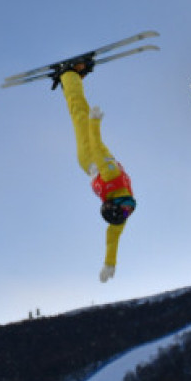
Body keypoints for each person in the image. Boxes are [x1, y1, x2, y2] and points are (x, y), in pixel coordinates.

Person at [52, 61, 136, 282]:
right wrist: (109, 263)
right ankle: (73, 80)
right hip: (93, 158)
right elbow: (112, 237)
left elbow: (96, 148)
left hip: (89, 156)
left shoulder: (119, 195)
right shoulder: (119, 199)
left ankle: (68, 75)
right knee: (80, 112)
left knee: (80, 114)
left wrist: (95, 123)